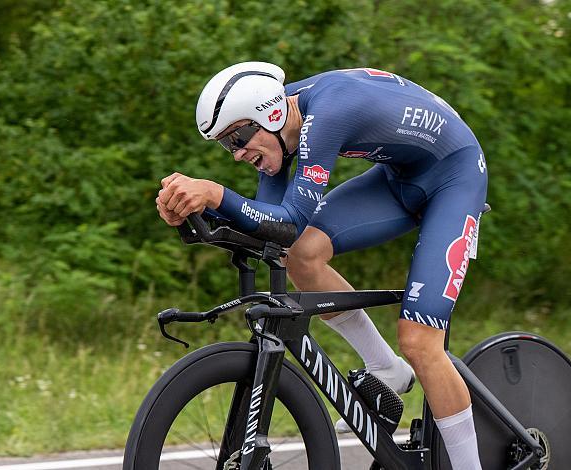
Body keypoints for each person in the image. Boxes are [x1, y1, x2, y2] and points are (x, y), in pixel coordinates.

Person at [157, 61, 487, 469]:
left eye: (239, 137)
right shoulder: (281, 128)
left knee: (420, 341)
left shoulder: (329, 112)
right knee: (300, 256)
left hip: (455, 174)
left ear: (271, 113)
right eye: (228, 145)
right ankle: (386, 369)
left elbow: (289, 219)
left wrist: (215, 194)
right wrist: (197, 211)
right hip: (399, 176)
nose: (239, 154)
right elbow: (274, 230)